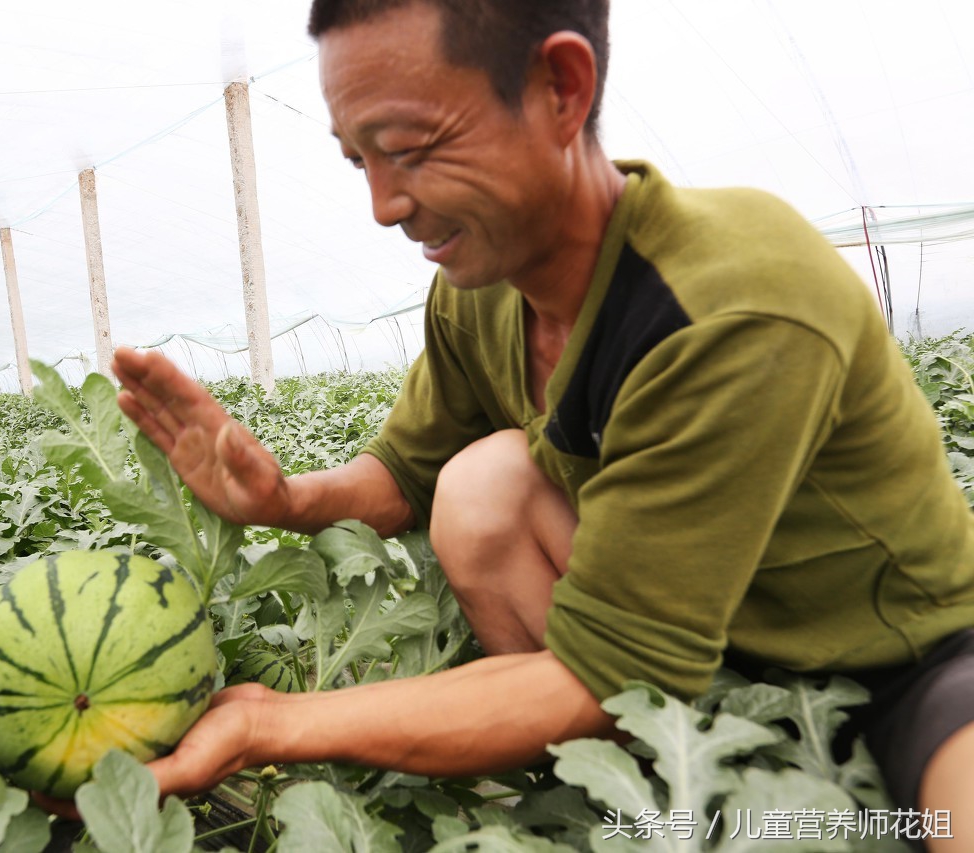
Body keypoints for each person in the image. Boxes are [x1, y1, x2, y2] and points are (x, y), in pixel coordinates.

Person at [65, 0, 974, 842]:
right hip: (684, 658)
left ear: (561, 90)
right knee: (481, 485)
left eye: (408, 148)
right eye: (357, 160)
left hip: (896, 667)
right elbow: (407, 474)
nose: (383, 206)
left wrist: (269, 724)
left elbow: (604, 671)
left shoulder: (728, 305)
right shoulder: (480, 290)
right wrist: (285, 501)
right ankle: (616, 802)